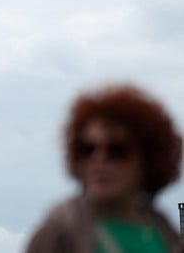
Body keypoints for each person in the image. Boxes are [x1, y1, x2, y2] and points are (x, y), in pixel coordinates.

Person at [26, 84, 184, 253]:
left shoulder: (165, 234)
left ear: (148, 159)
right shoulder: (61, 230)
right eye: (87, 150)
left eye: (117, 151)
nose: (99, 159)